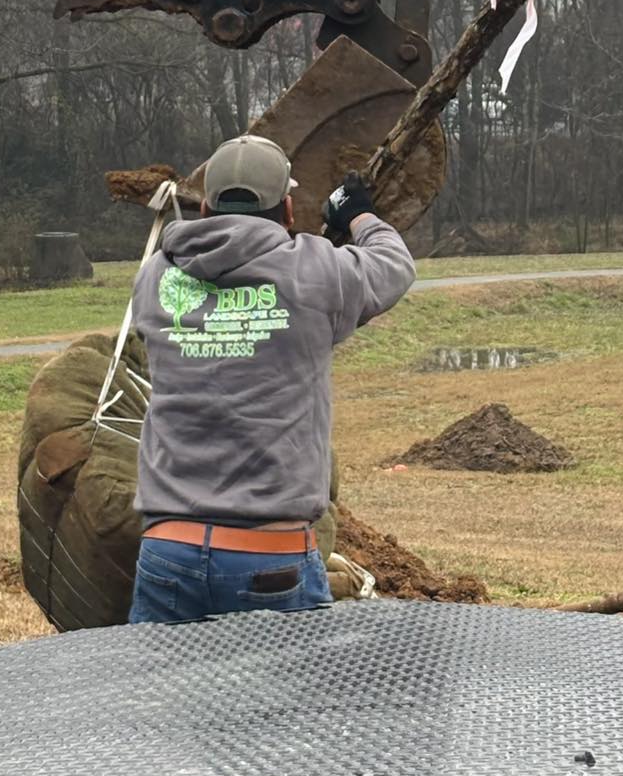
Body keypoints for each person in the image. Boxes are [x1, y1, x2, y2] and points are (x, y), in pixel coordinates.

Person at [128, 134, 415, 623]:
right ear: (286, 208)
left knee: (166, 701)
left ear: (204, 211)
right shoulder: (317, 272)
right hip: (270, 559)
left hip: (167, 552)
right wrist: (357, 215)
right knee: (284, 703)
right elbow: (393, 263)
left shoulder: (156, 276)